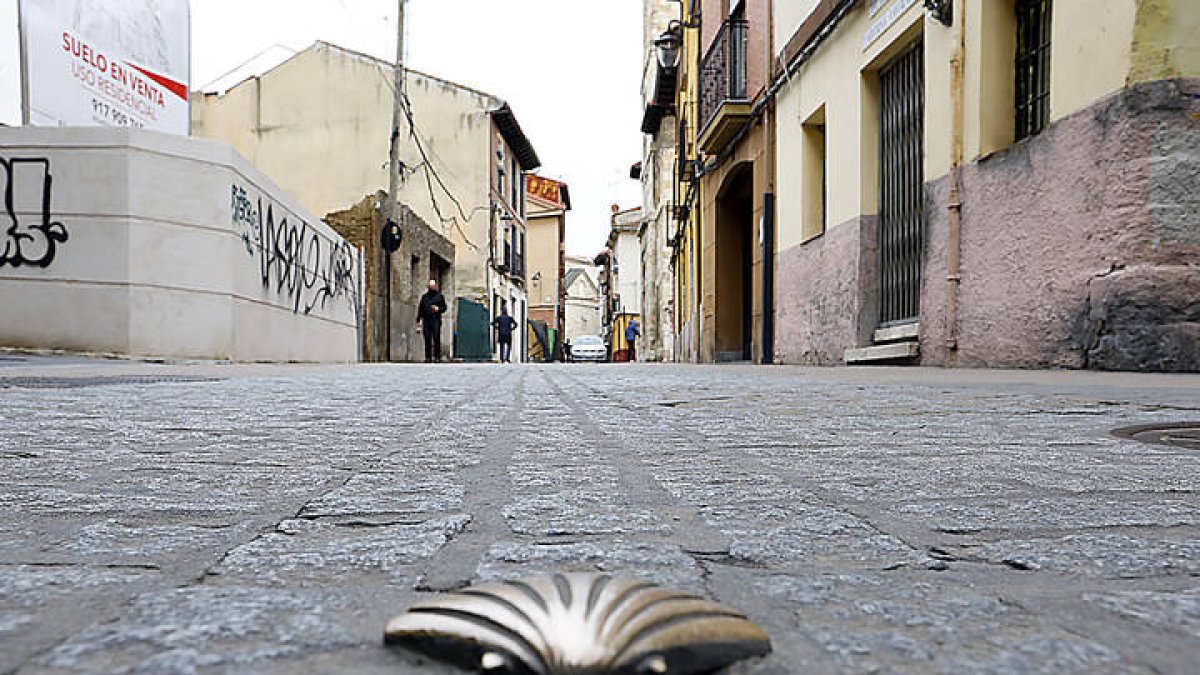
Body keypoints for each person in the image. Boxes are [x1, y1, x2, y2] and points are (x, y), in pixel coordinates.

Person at [417, 279, 447, 363]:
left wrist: (438, 309)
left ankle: (437, 357)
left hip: (436, 320)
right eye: (430, 286)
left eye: (433, 286)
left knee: (436, 338)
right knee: (427, 339)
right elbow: (420, 309)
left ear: (435, 286)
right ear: (428, 287)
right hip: (426, 321)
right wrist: (418, 321)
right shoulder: (424, 297)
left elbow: (444, 307)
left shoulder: (439, 296)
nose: (432, 287)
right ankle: (428, 357)